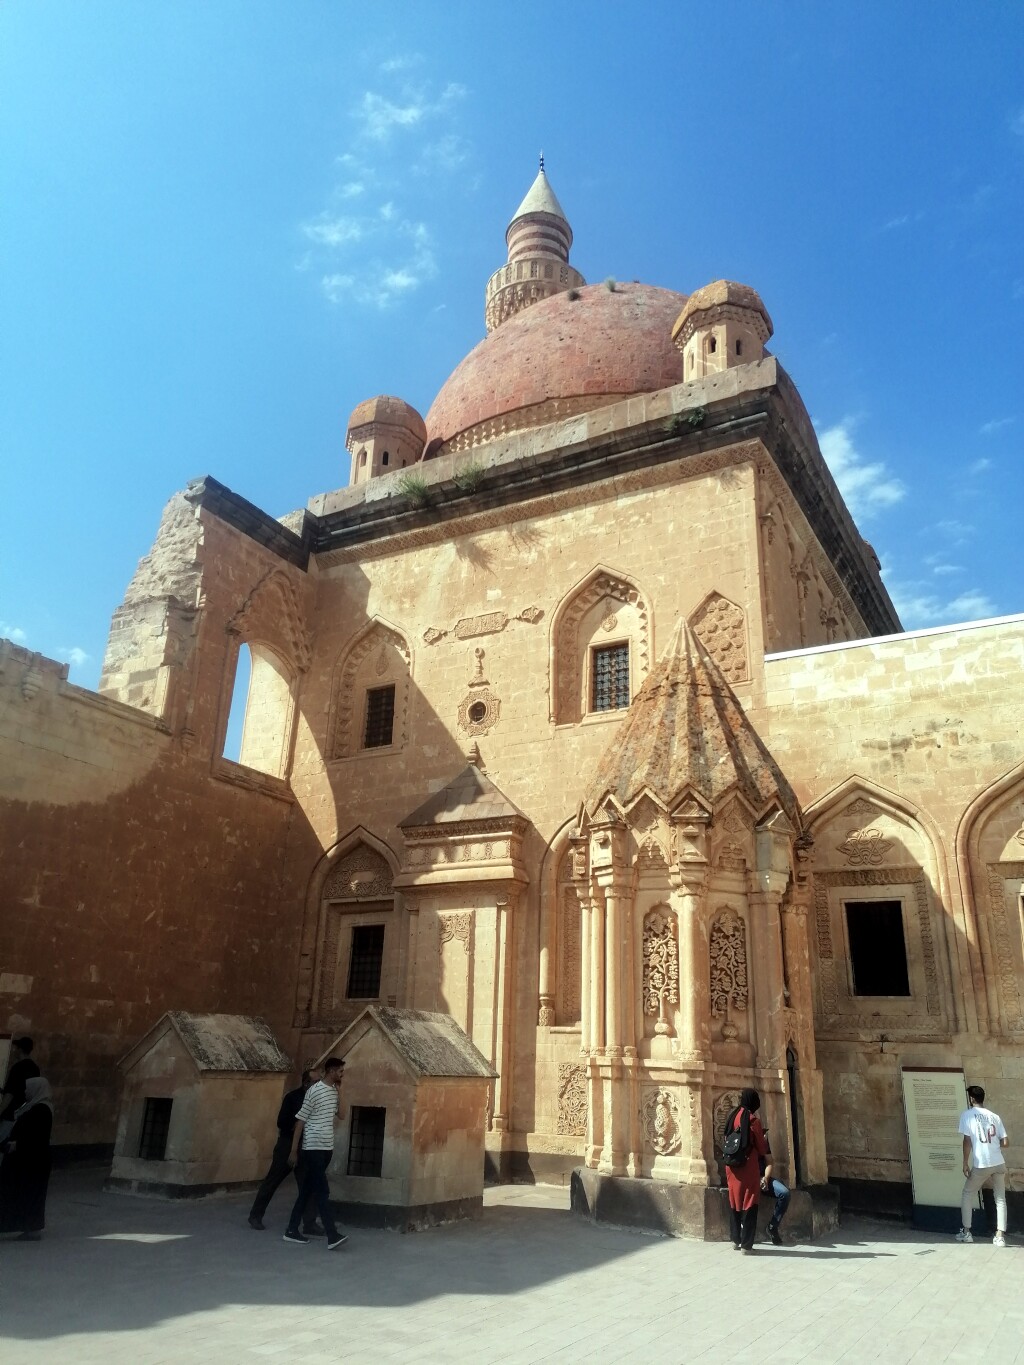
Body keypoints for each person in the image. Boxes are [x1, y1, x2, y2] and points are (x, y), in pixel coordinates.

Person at [283, 1056, 347, 1250]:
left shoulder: (334, 1092)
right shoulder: (314, 1090)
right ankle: (332, 1234)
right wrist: (294, 1150)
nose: (342, 1075)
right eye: (340, 1071)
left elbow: (342, 1115)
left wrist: (340, 1092)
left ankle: (292, 1229)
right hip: (312, 1146)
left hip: (327, 1146)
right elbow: (300, 1121)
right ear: (331, 1071)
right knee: (322, 1190)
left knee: (308, 1189)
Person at [248, 1070, 323, 1234]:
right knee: (272, 1181)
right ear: (306, 1083)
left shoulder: (318, 1100)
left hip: (306, 1147)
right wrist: (297, 1124)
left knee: (308, 1185)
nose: (319, 1084)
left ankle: (309, 1223)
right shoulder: (292, 1098)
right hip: (287, 1145)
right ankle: (255, 1215)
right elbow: (281, 1121)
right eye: (316, 1082)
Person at [0, 1076, 54, 1240]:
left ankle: (30, 1228)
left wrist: (16, 1145)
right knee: (25, 1195)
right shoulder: (36, 1107)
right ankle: (29, 1227)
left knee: (23, 1194)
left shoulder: (42, 1110)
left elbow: (36, 1136)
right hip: (28, 1160)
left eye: (28, 1089)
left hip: (31, 1161)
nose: (25, 1092)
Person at [956, 1084, 1008, 1246]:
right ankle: (1000, 1236)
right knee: (1000, 1199)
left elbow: (967, 1141)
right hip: (999, 1162)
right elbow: (1005, 1142)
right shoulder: (995, 1116)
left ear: (972, 1099)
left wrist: (965, 1162)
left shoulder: (967, 1115)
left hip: (982, 1163)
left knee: (967, 1193)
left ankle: (966, 1232)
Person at [724, 1087, 772, 1253]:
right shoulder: (753, 1121)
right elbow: (760, 1148)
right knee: (750, 1202)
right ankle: (747, 1245)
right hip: (748, 1166)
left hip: (731, 1167)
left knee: (734, 1201)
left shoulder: (732, 1116)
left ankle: (735, 1240)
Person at [759, 1127, 791, 1246]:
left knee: (784, 1192)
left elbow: (769, 1161)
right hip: (749, 1180)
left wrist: (765, 1179)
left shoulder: (763, 1142)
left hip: (763, 1178)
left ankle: (773, 1225)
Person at [0, 1037, 40, 1129]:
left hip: (11, 1114)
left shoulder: (18, 1068)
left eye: (16, 1048)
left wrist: (0, 1110)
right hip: (24, 1113)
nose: (14, 1050)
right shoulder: (35, 1068)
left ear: (20, 1050)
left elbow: (10, 1094)